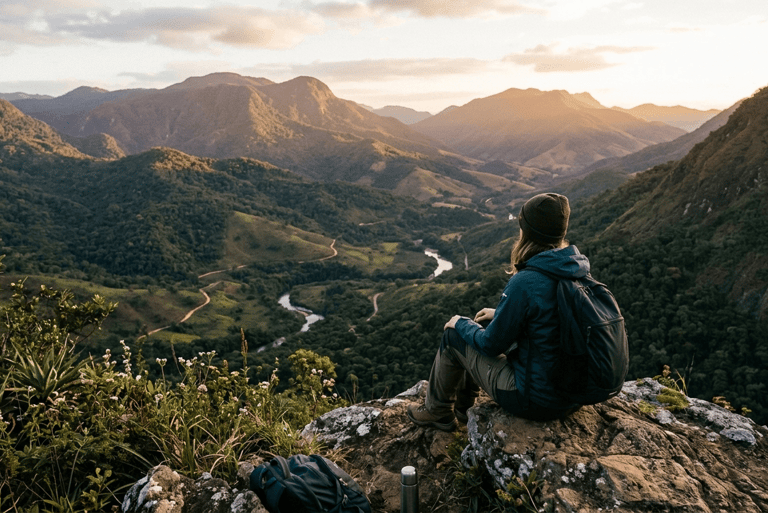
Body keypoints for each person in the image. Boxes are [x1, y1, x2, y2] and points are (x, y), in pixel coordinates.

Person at [408, 192, 587, 431]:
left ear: (527, 231)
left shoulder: (526, 281)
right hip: (573, 397)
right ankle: (463, 411)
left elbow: (492, 345)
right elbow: (552, 321)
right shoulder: (576, 271)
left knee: (456, 335)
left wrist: (460, 323)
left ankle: (437, 411)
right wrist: (501, 315)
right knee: (480, 326)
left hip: (534, 400)